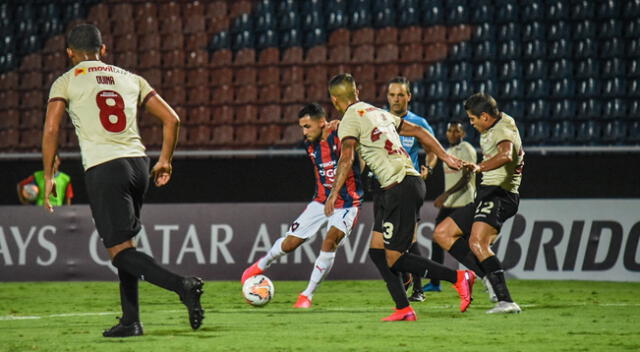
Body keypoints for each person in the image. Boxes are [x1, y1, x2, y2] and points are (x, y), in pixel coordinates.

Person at [41, 24, 204, 337]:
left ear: (70, 54)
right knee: (126, 246)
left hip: (104, 168)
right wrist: (165, 160)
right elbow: (172, 119)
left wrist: (49, 174)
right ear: (104, 50)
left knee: (120, 252)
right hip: (138, 165)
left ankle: (182, 285)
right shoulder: (131, 78)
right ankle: (131, 320)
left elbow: (51, 130)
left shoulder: (65, 82)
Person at [325, 73, 475, 322]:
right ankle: (403, 308)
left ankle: (459, 278)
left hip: (399, 187)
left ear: (333, 99)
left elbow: (347, 156)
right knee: (376, 251)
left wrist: (333, 194)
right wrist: (446, 157)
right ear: (356, 93)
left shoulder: (351, 118)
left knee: (395, 257)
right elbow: (418, 131)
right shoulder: (376, 112)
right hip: (403, 184)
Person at [241, 103, 363, 309]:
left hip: (347, 202)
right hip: (320, 201)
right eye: (302, 127)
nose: (304, 132)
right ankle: (261, 264)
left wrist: (343, 127)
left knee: (330, 241)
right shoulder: (310, 145)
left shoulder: (341, 135)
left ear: (321, 123)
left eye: (307, 126)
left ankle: (306, 295)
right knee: (290, 244)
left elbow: (357, 147)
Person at [432, 93, 524, 314]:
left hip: (500, 193)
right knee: (443, 233)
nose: (471, 124)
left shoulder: (502, 128)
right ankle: (487, 278)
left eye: (473, 119)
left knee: (478, 242)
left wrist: (479, 167)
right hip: (487, 193)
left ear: (484, 116)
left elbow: (506, 155)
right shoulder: (495, 127)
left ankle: (506, 300)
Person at [385, 76, 437, 302]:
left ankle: (417, 288)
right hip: (386, 186)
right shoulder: (380, 119)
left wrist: (428, 167)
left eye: (400, 95)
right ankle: (409, 282)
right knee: (391, 240)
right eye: (392, 95)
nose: (395, 100)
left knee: (410, 239)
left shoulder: (419, 123)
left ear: (409, 96)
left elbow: (433, 150)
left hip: (408, 184)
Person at [423, 120, 478, 293]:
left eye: (457, 131)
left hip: (465, 202)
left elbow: (467, 177)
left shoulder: (467, 149)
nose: (453, 134)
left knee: (473, 244)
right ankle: (435, 282)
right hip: (450, 203)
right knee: (436, 239)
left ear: (463, 134)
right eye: (450, 130)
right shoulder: (447, 152)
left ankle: (487, 275)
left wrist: (446, 194)